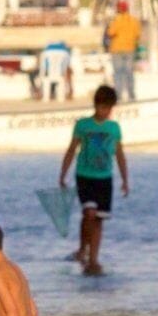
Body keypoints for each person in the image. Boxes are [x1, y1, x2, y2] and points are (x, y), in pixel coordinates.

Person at [60, 85, 127, 276]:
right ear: (95, 105)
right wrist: (63, 173)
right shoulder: (82, 125)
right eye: (101, 107)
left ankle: (93, 259)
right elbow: (71, 149)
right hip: (85, 176)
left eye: (108, 108)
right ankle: (83, 249)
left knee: (98, 219)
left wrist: (125, 179)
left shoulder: (113, 128)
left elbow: (120, 154)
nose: (104, 111)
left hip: (105, 178)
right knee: (89, 213)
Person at [103, 0, 144, 103]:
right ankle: (131, 96)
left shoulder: (117, 20)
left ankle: (119, 96)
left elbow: (110, 32)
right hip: (130, 49)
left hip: (117, 49)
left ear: (119, 9)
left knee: (118, 73)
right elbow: (138, 35)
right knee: (129, 73)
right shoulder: (134, 20)